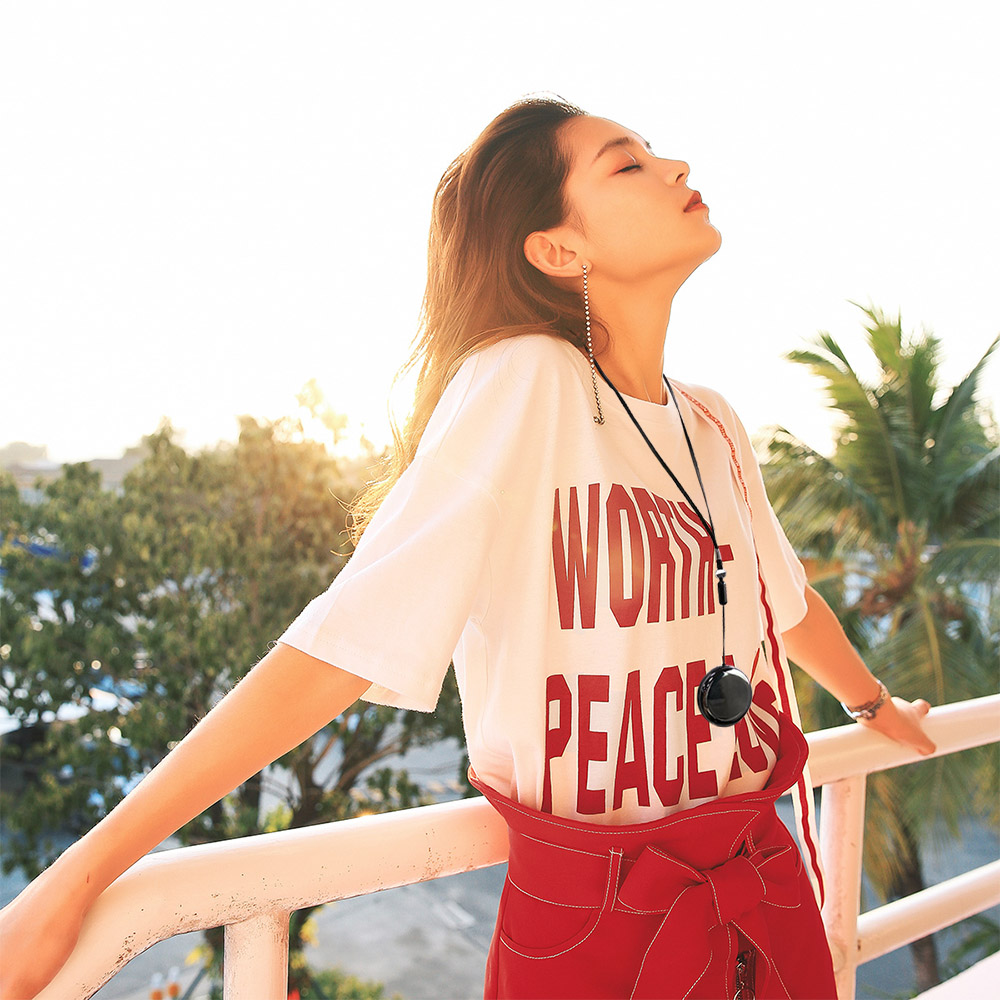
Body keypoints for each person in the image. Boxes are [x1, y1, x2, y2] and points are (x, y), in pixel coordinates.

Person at [0, 94, 936, 1000]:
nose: (676, 166)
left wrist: (872, 702)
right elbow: (344, 643)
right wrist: (82, 873)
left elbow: (782, 601)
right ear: (558, 247)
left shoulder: (714, 422)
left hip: (758, 884)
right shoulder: (523, 380)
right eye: (628, 164)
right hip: (598, 919)